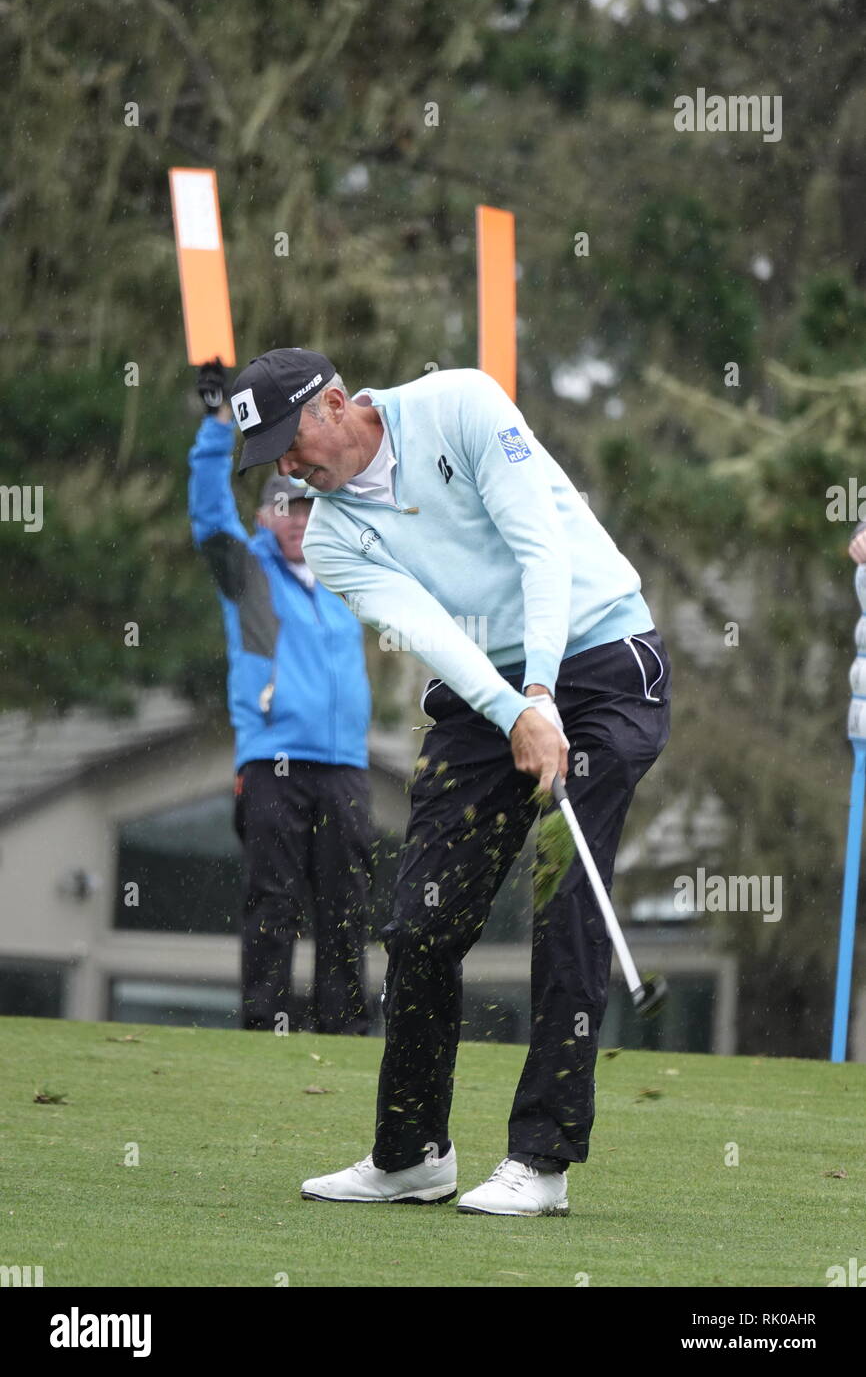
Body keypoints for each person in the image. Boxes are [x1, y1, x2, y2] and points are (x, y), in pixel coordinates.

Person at [228, 347, 672, 1215]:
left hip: (603, 657)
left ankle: (541, 1161)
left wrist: (542, 692)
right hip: (486, 693)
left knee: (566, 901)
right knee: (422, 920)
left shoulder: (460, 404)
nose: (287, 465)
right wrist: (515, 712)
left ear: (333, 403)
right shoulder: (330, 534)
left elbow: (538, 544)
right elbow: (438, 635)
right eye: (271, 456)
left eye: (290, 439)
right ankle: (412, 1152)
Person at [188, 359, 373, 1035]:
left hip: (345, 762)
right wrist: (215, 424)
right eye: (283, 508)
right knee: (273, 899)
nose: (296, 519)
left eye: (304, 507)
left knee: (347, 904)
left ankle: (345, 1028)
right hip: (274, 759)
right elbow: (208, 510)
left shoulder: (345, 570)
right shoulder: (247, 572)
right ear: (266, 516)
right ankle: (264, 1021)